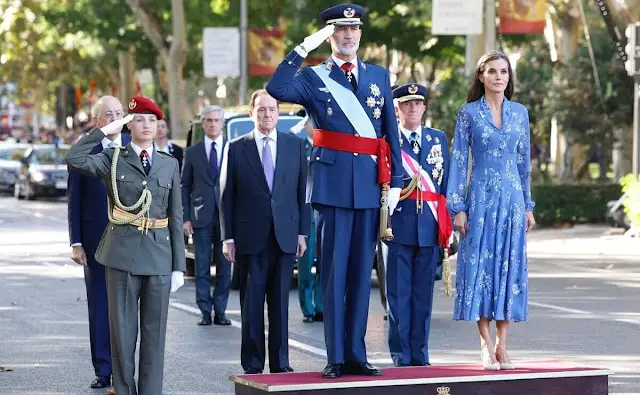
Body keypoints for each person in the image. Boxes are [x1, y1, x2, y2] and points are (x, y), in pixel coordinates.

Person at [266, 3, 403, 378]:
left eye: (353, 30)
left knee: (361, 275)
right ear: (330, 36)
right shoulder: (314, 77)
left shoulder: (377, 76)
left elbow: (389, 133)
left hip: (369, 188)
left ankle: (357, 354)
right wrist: (303, 48)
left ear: (360, 34)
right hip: (332, 187)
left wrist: (396, 183)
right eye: (339, 31)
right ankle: (336, 356)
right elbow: (275, 87)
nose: (348, 36)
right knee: (333, 274)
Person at [65, 95, 185, 394]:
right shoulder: (113, 158)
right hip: (121, 255)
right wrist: (104, 131)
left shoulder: (169, 164)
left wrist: (179, 266)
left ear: (159, 126)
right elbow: (74, 159)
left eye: (152, 120)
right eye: (139, 120)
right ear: (129, 125)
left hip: (158, 255)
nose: (146, 125)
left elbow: (176, 215)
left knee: (154, 336)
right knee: (122, 333)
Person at [446, 50, 536, 371]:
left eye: (504, 72)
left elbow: (524, 163)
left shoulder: (520, 113)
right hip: (480, 200)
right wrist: (457, 206)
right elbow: (458, 162)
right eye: (493, 71)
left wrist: (527, 205)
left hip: (512, 201)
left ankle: (503, 346)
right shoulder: (468, 114)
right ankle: (484, 343)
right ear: (481, 76)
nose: (499, 77)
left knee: (508, 269)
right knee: (481, 268)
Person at [219, 89, 309, 374]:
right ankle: (254, 363)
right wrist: (228, 237)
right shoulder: (236, 147)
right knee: (252, 304)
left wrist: (302, 233)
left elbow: (302, 193)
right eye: (261, 110)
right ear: (251, 113)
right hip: (249, 238)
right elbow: (226, 196)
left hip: (285, 237)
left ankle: (281, 363)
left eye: (272, 109)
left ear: (278, 113)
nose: (267, 114)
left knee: (280, 304)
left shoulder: (295, 146)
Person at [385, 83, 452, 367]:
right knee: (399, 295)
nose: (412, 108)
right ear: (397, 109)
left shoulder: (437, 139)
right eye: (406, 103)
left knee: (423, 295)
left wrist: (448, 225)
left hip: (429, 224)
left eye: (417, 103)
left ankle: (420, 354)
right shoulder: (387, 140)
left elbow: (446, 182)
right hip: (398, 224)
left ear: (424, 107)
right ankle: (401, 355)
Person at [67, 96, 131, 393]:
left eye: (120, 113)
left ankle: (127, 369)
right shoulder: (86, 151)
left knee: (130, 308)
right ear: (97, 121)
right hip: (95, 242)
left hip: (132, 241)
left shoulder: (133, 147)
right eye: (109, 115)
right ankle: (104, 369)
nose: (116, 119)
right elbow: (74, 200)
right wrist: (76, 242)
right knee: (101, 307)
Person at [182, 105, 232, 326]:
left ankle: (220, 310)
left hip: (226, 218)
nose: (213, 124)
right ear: (203, 124)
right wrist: (185, 218)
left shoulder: (233, 149)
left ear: (222, 123)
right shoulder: (192, 153)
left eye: (216, 120)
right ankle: (204, 310)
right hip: (200, 217)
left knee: (225, 266)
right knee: (202, 266)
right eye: (209, 121)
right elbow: (185, 186)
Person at [290, 112, 324, 324]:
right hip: (305, 210)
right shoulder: (298, 147)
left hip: (324, 209)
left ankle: (320, 305)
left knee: (323, 262)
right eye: (310, 121)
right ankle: (308, 307)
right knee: (305, 264)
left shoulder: (327, 145)